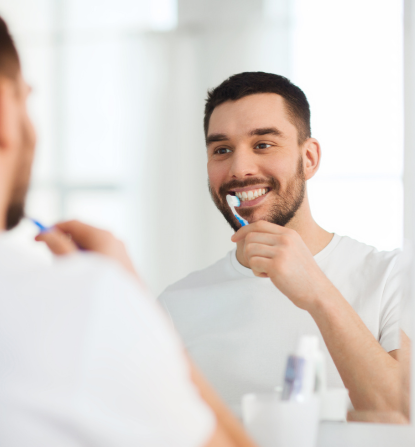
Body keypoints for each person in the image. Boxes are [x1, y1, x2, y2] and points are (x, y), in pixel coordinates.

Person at [0, 2, 257, 445]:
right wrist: (131, 305)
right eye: (220, 148)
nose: (240, 167)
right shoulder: (83, 304)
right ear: (3, 108)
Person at [158, 72, 409, 418]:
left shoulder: (393, 278)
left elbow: (404, 415)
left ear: (309, 159)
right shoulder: (173, 308)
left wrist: (318, 292)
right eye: (221, 150)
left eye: (263, 144)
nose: (239, 168)